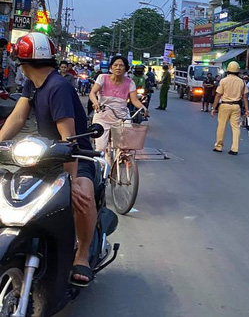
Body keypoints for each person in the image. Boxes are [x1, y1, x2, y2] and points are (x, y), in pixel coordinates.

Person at [0, 32, 96, 286]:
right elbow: (18, 118)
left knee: (82, 196)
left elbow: (69, 140)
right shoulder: (32, 84)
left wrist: (72, 181)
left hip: (76, 156)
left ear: (23, 63)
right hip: (44, 154)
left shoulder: (58, 88)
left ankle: (82, 255)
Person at [89, 55, 148, 152]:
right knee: (100, 149)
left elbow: (134, 100)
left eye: (121, 65)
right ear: (111, 67)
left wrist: (143, 108)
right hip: (102, 116)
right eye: (115, 65)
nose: (118, 68)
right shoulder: (102, 78)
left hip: (122, 117)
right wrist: (95, 102)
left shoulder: (130, 82)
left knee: (125, 146)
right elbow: (92, 93)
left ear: (126, 68)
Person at [211, 61, 249, 155]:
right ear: (238, 71)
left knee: (221, 126)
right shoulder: (242, 82)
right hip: (236, 106)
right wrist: (247, 110)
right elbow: (245, 97)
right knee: (236, 127)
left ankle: (219, 146)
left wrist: (213, 108)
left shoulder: (223, 80)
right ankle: (234, 149)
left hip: (224, 105)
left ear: (227, 70)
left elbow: (218, 95)